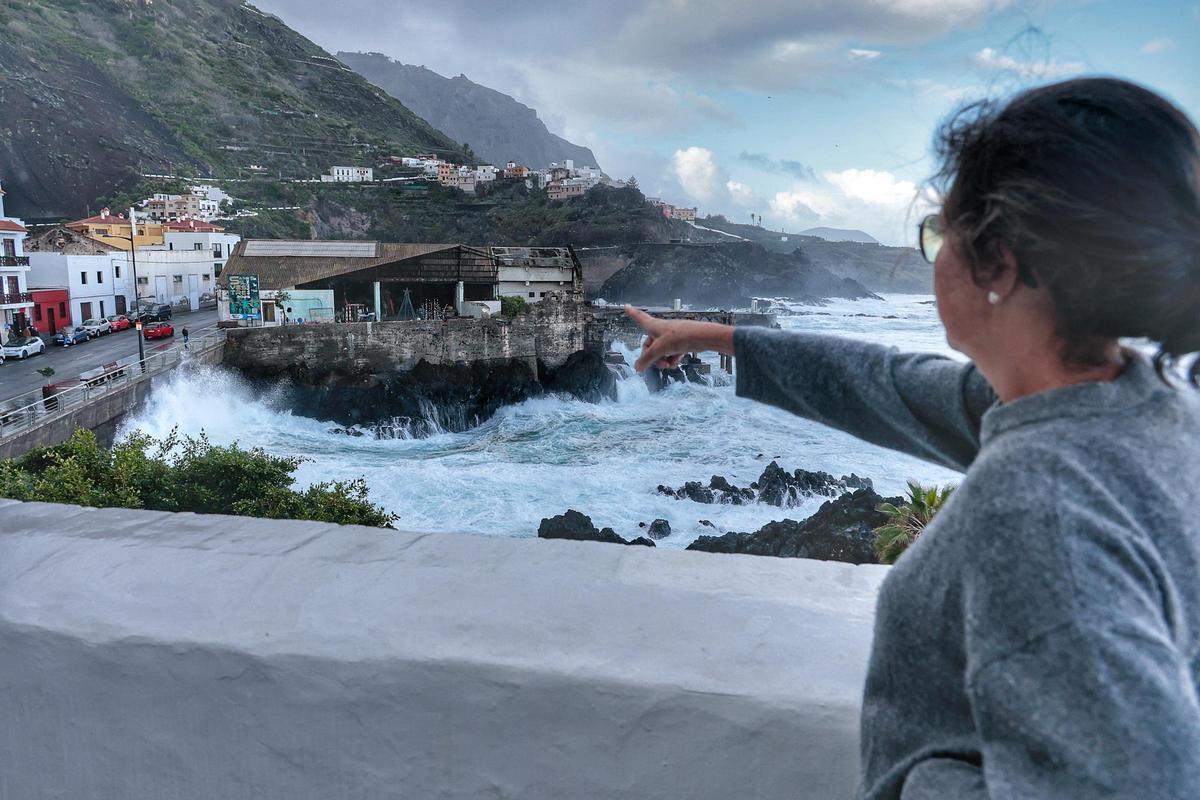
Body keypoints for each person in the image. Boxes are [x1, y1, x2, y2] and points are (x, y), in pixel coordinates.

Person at [627, 77, 1200, 798]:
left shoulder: (1039, 500)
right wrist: (725, 339)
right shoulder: (1140, 403)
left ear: (1002, 262)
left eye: (939, 234)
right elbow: (888, 385)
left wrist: (922, 772)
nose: (931, 259)